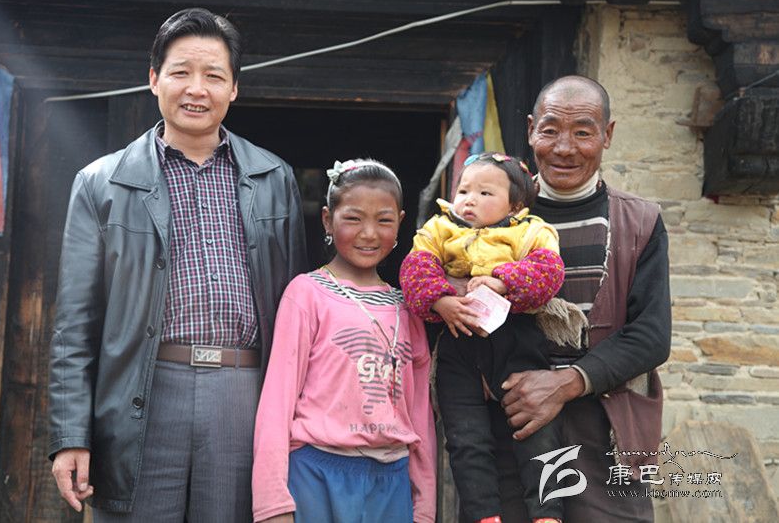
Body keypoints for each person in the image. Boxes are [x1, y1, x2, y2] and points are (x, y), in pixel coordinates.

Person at [47, 8, 307, 522]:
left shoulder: (274, 178)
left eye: (214, 76)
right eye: (181, 72)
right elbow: (74, 324)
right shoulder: (101, 183)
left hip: (244, 395)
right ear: (154, 79)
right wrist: (71, 435)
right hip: (142, 393)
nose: (197, 89)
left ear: (234, 88)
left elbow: (299, 313)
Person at [492, 75, 672, 522]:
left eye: (583, 132)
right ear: (530, 130)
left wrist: (565, 383)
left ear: (607, 135)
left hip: (606, 435)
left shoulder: (639, 223)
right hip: (514, 429)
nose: (564, 148)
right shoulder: (494, 218)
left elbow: (651, 336)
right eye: (550, 130)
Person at [252, 159, 436, 523]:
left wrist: (425, 505)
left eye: (383, 220)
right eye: (353, 218)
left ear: (401, 222)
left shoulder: (408, 306)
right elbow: (277, 400)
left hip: (391, 480)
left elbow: (420, 415)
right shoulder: (307, 294)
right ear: (327, 220)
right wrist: (272, 502)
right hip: (316, 474)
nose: (369, 233)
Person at [400, 153, 568, 523]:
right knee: (465, 436)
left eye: (485, 193)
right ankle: (483, 514)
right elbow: (414, 268)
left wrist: (503, 281)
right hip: (458, 340)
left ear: (516, 204)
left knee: (537, 427)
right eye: (463, 191)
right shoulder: (439, 228)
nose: (469, 200)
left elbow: (549, 271)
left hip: (516, 337)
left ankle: (548, 513)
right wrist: (440, 300)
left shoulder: (531, 231)